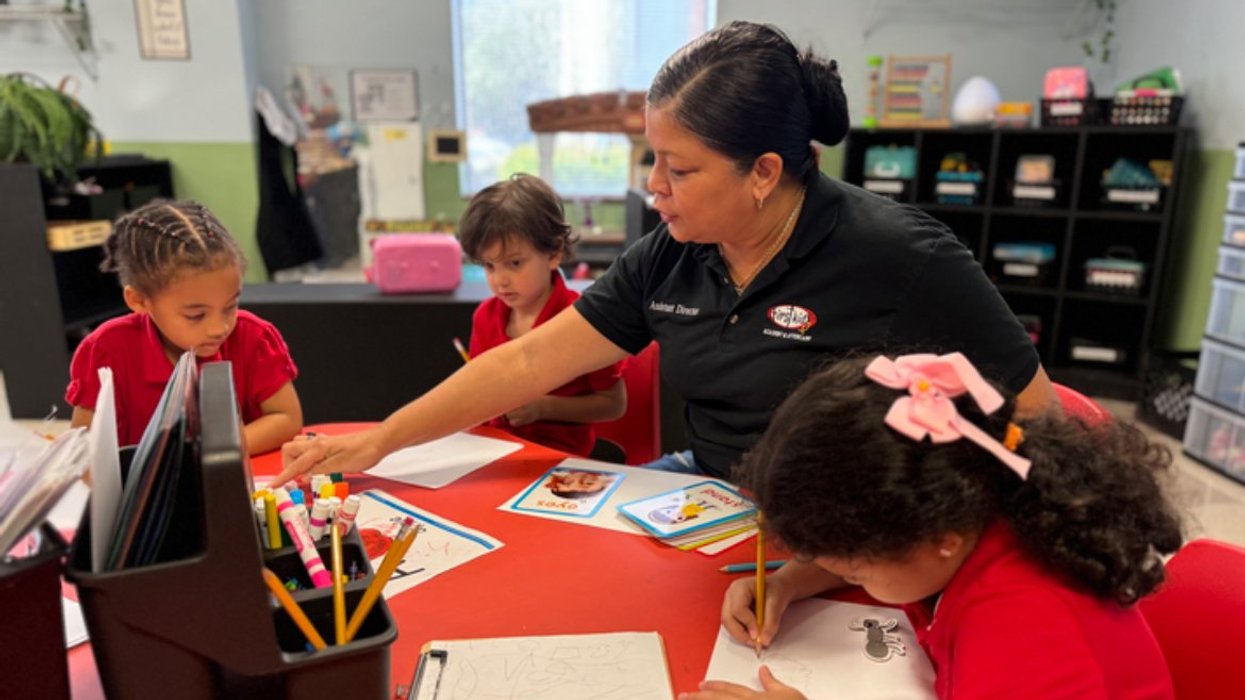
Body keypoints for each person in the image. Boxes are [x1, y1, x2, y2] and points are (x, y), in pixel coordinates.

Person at [274, 21, 1055, 485]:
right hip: (700, 492)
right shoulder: (672, 254)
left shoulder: (899, 255)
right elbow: (520, 366)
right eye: (652, 160)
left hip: (839, 516)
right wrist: (376, 443)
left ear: (763, 174)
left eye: (678, 170)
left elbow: (1034, 416)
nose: (654, 187)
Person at [691, 352, 1181, 700]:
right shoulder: (983, 502)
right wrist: (787, 583)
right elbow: (881, 554)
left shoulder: (1026, 633)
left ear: (937, 538)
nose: (845, 573)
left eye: (857, 572)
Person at [66, 200, 303, 455]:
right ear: (140, 301)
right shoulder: (106, 350)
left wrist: (211, 452)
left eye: (230, 307)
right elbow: (84, 447)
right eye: (196, 315)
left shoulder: (253, 337)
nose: (219, 328)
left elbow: (286, 418)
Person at [460, 174, 626, 457]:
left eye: (514, 263)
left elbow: (614, 404)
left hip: (561, 461)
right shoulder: (485, 317)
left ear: (553, 253)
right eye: (489, 266)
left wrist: (542, 407)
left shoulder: (583, 320)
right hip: (493, 453)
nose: (500, 280)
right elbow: (476, 393)